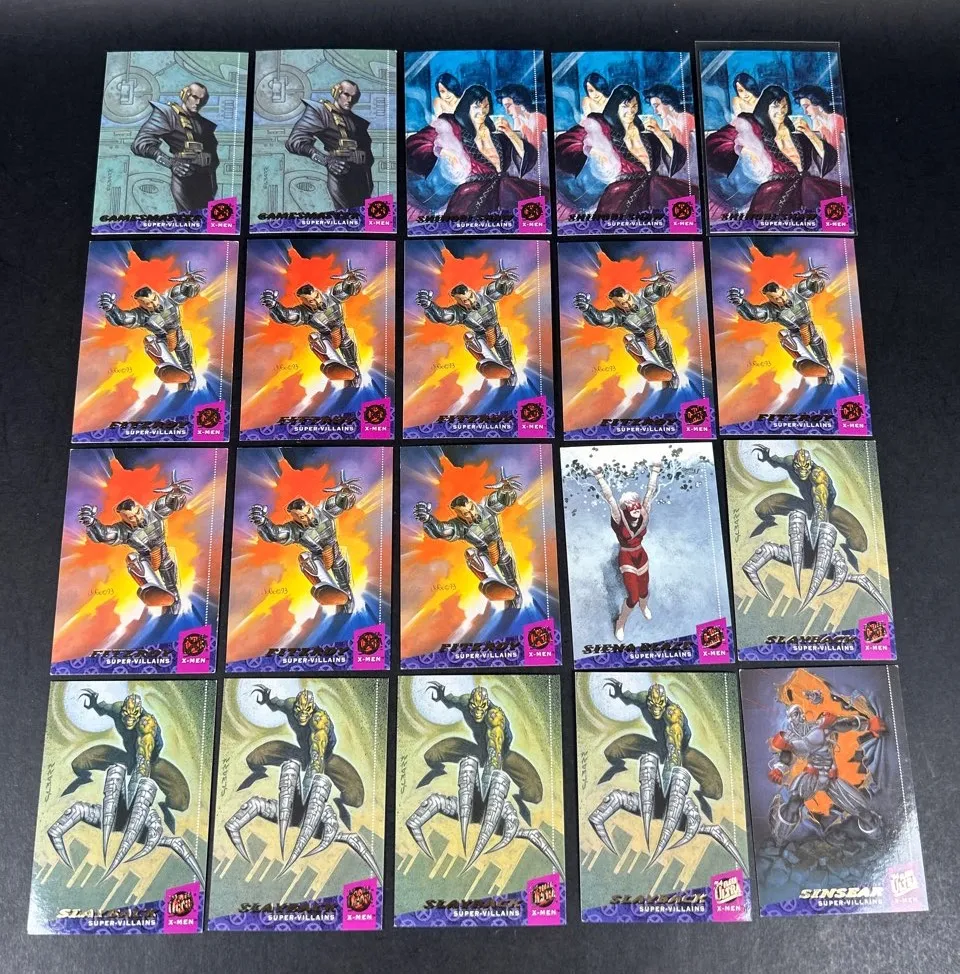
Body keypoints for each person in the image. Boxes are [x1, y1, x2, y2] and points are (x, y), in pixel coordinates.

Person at [705, 84, 841, 219]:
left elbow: (828, 157)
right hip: (773, 192)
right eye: (775, 106)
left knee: (835, 209)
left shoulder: (798, 133)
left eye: (784, 106)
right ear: (766, 107)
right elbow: (717, 142)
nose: (781, 111)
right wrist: (745, 150)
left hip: (807, 186)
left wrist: (809, 133)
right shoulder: (754, 128)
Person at [406, 83, 541, 219]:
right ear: (467, 107)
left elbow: (527, 155)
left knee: (533, 213)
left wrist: (510, 133)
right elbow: (418, 143)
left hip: (507, 186)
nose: (482, 111)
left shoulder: (498, 135)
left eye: (485, 106)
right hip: (472, 192)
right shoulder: (455, 128)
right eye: (477, 106)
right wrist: (445, 152)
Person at [555, 83, 688, 219]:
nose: (631, 111)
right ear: (615, 107)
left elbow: (677, 156)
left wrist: (659, 133)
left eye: (634, 106)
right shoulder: (604, 128)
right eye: (625, 106)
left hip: (656, 187)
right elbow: (566, 142)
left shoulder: (647, 134)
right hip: (621, 193)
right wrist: (593, 151)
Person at [78, 472, 192, 615]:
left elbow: (171, 504)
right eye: (131, 517)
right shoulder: (123, 530)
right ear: (124, 518)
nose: (137, 518)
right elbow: (105, 535)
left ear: (139, 507)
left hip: (163, 554)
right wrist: (92, 523)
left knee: (171, 584)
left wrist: (176, 494)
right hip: (145, 559)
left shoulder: (154, 511)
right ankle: (152, 590)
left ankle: (173, 599)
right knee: (132, 559)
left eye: (138, 512)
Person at [249, 471, 362, 613]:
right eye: (302, 517)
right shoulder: (294, 530)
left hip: (336, 554)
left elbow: (342, 502)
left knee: (345, 589)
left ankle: (345, 602)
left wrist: (346, 493)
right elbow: (275, 534)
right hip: (318, 559)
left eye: (308, 512)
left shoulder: (325, 511)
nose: (308, 518)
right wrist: (263, 522)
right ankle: (325, 587)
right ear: (295, 518)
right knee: (305, 557)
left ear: (310, 507)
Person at [98, 263, 205, 390]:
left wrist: (190, 282)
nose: (154, 304)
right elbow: (122, 319)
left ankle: (188, 379)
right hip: (162, 343)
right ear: (140, 304)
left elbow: (187, 291)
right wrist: (111, 308)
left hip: (179, 337)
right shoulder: (140, 315)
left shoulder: (170, 298)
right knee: (149, 341)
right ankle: (168, 368)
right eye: (148, 303)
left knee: (187, 366)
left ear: (155, 293)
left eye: (154, 299)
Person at [590, 461, 662, 641]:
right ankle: (621, 622)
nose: (636, 507)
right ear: (625, 508)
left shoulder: (644, 513)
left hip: (641, 554)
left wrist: (655, 471)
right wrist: (599, 476)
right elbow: (610, 498)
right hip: (626, 556)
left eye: (636, 504)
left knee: (644, 590)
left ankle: (644, 607)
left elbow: (650, 492)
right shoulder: (618, 517)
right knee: (633, 596)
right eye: (630, 505)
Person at [285, 80, 373, 211]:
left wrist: (364, 158)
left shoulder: (357, 122)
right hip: (341, 175)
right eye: (346, 94)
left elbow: (368, 152)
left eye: (354, 97)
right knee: (346, 217)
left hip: (363, 178)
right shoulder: (321, 112)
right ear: (336, 92)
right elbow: (295, 141)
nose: (350, 100)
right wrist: (326, 160)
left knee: (365, 217)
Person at [131, 82, 219, 211]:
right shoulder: (168, 114)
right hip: (184, 180)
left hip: (207, 182)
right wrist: (171, 163)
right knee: (188, 219)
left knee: (210, 220)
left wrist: (208, 159)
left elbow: (214, 155)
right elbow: (140, 143)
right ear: (184, 95)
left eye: (202, 99)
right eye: (195, 97)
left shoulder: (204, 124)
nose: (198, 103)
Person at [643, 82, 696, 149]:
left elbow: (683, 148)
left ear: (668, 103)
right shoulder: (666, 120)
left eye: (656, 106)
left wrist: (673, 129)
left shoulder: (685, 118)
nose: (655, 111)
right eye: (653, 107)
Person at [793, 84, 846, 150]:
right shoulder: (816, 121)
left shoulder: (835, 119)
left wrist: (824, 132)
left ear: (817, 103)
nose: (805, 112)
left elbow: (833, 149)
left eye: (806, 107)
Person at [495, 82, 547, 147]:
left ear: (519, 103)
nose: (507, 112)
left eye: (508, 106)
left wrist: (523, 128)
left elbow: (534, 147)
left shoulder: (537, 117)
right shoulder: (518, 119)